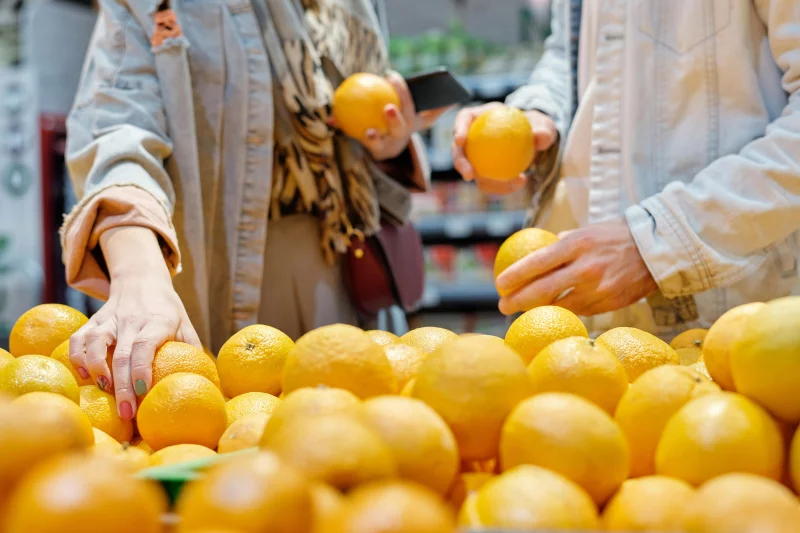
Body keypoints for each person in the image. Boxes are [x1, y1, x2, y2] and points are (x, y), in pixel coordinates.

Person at [62, 0, 443, 419]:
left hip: (334, 271)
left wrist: (386, 144)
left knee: (344, 439)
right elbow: (117, 132)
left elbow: (346, 143)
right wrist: (138, 276)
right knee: (218, 438)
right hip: (201, 269)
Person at [453, 0, 800, 338]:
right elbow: (570, 49)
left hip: (739, 318)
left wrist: (657, 243)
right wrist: (538, 112)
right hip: (589, 321)